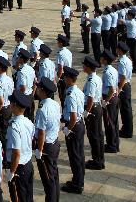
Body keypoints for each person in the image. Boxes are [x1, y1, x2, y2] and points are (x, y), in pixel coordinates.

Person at [34, 78, 61, 202]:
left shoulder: (42, 108)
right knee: (54, 176)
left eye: (39, 88)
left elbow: (41, 132)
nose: (37, 89)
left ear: (43, 91)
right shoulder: (55, 104)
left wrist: (39, 150)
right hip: (54, 142)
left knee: (48, 180)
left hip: (46, 147)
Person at [5, 93, 35, 202]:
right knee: (28, 196)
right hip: (27, 164)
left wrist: (12, 172)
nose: (10, 105)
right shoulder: (28, 122)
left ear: (15, 105)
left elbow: (16, 153)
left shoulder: (14, 126)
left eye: (11, 103)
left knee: (19, 197)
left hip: (19, 167)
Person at [61, 67, 86, 195]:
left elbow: (73, 117)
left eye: (65, 77)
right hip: (80, 125)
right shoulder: (78, 91)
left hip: (74, 127)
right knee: (79, 155)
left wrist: (67, 129)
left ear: (70, 79)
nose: (64, 79)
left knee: (75, 156)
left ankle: (77, 185)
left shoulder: (70, 95)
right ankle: (79, 179)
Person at [81, 55, 105, 171]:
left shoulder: (91, 81)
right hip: (97, 107)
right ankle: (99, 159)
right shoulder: (96, 78)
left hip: (93, 109)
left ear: (89, 67)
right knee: (98, 135)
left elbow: (90, 98)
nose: (83, 67)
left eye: (84, 65)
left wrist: (87, 112)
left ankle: (97, 161)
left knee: (94, 136)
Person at [100, 50, 120, 153]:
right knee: (114, 122)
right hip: (114, 98)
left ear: (105, 60)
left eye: (101, 58)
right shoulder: (113, 69)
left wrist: (105, 101)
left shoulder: (107, 72)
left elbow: (111, 89)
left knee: (109, 123)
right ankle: (115, 143)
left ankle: (111, 145)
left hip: (109, 98)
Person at [116, 42, 134, 139]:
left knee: (125, 110)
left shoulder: (122, 62)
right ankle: (126, 129)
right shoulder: (127, 59)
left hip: (123, 86)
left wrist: (119, 88)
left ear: (120, 50)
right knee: (126, 109)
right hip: (127, 84)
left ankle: (127, 131)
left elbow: (122, 77)